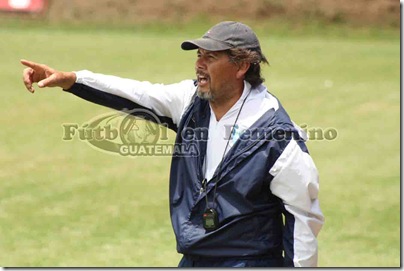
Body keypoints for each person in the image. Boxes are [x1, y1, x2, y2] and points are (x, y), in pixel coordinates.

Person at [21, 21, 324, 267]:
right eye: (198, 55)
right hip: (194, 257)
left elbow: (303, 217)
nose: (199, 65)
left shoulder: (277, 135)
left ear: (242, 65)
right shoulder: (191, 100)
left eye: (210, 57)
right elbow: (135, 93)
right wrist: (72, 80)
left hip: (248, 261)